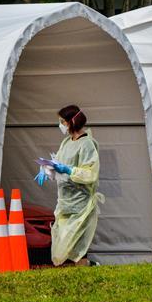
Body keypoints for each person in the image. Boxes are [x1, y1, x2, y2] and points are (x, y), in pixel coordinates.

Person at [34, 105, 104, 267]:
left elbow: (90, 173)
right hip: (65, 203)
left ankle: (86, 267)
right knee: (62, 242)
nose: (60, 125)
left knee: (77, 244)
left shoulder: (87, 144)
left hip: (81, 204)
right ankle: (85, 267)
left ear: (71, 122)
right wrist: (47, 168)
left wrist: (68, 170)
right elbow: (58, 162)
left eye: (62, 121)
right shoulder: (66, 142)